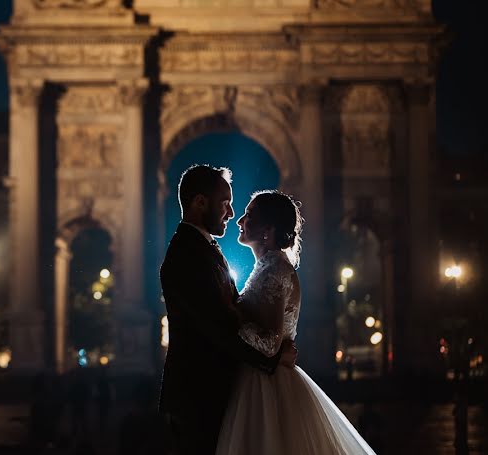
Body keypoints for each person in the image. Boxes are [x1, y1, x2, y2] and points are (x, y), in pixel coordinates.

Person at [215, 190, 376, 454]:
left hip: (263, 383)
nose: (239, 220)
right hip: (267, 378)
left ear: (268, 230)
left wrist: (227, 318)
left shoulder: (274, 270)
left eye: (249, 215)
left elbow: (269, 344)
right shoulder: (269, 267)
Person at [159, 164, 296, 455]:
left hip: (209, 393)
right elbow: (219, 327)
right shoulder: (188, 255)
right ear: (199, 203)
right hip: (198, 397)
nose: (232, 214)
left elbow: (232, 316)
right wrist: (273, 359)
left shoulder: (199, 249)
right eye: (225, 204)